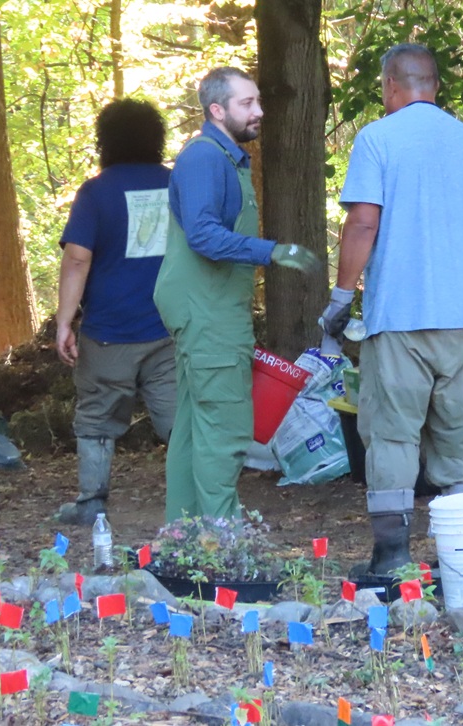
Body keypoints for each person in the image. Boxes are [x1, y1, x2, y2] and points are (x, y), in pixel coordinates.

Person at [320, 44, 463, 578]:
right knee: (456, 427)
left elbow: (363, 224)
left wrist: (341, 298)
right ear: (434, 86)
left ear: (390, 85)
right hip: (461, 318)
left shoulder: (378, 139)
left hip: (400, 317)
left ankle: (391, 557)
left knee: (392, 431)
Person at [154, 67, 320, 522]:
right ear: (217, 110)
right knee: (225, 427)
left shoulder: (225, 160)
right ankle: (219, 540)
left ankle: (184, 536)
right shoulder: (204, 159)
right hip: (206, 312)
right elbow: (204, 236)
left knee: (194, 427)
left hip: (208, 308)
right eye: (248, 104)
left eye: (258, 101)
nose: (259, 111)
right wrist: (273, 251)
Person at [54, 98, 177, 525]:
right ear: (155, 138)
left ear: (105, 140)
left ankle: (92, 503)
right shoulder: (176, 184)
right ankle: (193, 501)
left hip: (109, 330)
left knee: (97, 416)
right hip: (171, 327)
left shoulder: (96, 191)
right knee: (180, 417)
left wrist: (65, 320)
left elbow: (76, 259)